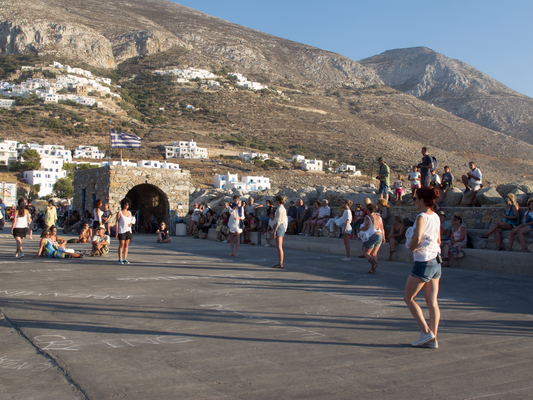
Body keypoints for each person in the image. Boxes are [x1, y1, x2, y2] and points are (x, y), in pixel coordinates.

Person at [403, 186, 441, 348]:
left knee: (408, 298)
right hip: (436, 261)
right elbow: (438, 240)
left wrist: (411, 248)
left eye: (416, 199)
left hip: (423, 261)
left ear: (422, 200)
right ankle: (433, 338)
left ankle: (426, 332)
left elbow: (417, 238)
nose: (415, 202)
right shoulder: (436, 217)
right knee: (432, 301)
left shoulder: (421, 217)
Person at [359, 203, 385, 273]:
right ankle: (372, 269)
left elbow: (367, 227)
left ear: (368, 210)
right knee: (374, 253)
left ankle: (374, 263)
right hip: (379, 235)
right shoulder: (379, 217)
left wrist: (360, 229)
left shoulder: (368, 217)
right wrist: (383, 237)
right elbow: (382, 228)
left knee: (366, 253)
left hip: (372, 236)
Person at [116, 198, 135, 264]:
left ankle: (125, 258)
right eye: (125, 204)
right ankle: (120, 258)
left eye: (128, 204)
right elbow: (117, 222)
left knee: (126, 245)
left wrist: (131, 223)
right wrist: (116, 231)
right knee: (121, 245)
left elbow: (132, 220)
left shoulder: (129, 212)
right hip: (121, 230)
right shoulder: (120, 213)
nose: (127, 205)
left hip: (128, 230)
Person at [272, 195, 288, 268]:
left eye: (275, 201)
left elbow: (278, 221)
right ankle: (280, 262)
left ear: (278, 201)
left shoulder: (280, 209)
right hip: (281, 226)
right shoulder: (282, 208)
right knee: (279, 247)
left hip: (279, 226)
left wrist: (275, 230)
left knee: (279, 247)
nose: (274, 202)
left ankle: (280, 263)